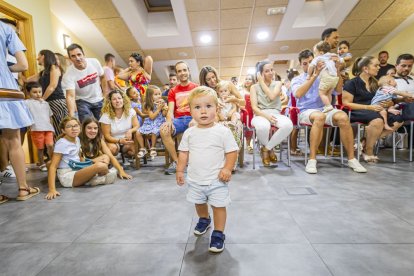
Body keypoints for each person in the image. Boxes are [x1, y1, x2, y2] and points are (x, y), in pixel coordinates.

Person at [176, 86, 238, 253]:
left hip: (217, 180)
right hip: (195, 179)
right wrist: (180, 171)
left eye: (208, 106)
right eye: (197, 107)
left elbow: (232, 151)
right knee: (199, 202)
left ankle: (218, 234)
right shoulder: (189, 133)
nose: (203, 111)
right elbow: (183, 153)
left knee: (219, 206)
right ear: (190, 110)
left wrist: (227, 168)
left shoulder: (222, 132)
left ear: (216, 108)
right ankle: (204, 219)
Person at [291, 49, 367, 173]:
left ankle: (352, 159)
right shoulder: (298, 79)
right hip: (306, 111)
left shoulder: (326, 73)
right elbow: (298, 94)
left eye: (310, 61)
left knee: (343, 117)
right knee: (319, 117)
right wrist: (314, 75)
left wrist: (336, 69)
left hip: (325, 108)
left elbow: (338, 91)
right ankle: (312, 160)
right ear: (301, 64)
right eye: (305, 63)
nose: (309, 64)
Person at [0, 20, 40, 203]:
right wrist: (5, 69)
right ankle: (23, 189)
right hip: (5, 90)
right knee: (13, 140)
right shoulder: (5, 29)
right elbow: (23, 65)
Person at [342, 56, 403, 163]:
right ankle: (369, 151)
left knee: (399, 119)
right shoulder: (351, 83)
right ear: (365, 69)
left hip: (376, 110)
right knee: (378, 121)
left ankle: (364, 142)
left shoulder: (376, 83)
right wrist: (368, 107)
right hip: (357, 111)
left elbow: (387, 97)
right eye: (375, 65)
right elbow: (346, 103)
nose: (379, 68)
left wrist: (391, 102)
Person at [46, 117, 117, 200]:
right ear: (63, 130)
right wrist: (52, 190)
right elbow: (53, 166)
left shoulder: (77, 139)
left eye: (76, 126)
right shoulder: (62, 143)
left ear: (80, 128)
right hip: (68, 175)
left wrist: (90, 163)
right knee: (100, 167)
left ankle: (94, 178)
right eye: (69, 126)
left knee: (103, 162)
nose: (73, 129)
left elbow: (80, 159)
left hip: (77, 169)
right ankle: (97, 178)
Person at [251, 60, 293, 166]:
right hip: (260, 114)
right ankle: (269, 150)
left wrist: (261, 82)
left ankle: (266, 149)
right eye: (267, 71)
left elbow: (272, 96)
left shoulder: (278, 83)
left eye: (272, 70)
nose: (271, 72)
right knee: (263, 127)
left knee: (288, 125)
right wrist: (267, 116)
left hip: (276, 113)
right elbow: (254, 108)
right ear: (260, 74)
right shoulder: (254, 87)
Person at [160, 61, 198, 175]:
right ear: (177, 74)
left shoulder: (196, 88)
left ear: (188, 71)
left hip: (193, 118)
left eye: (184, 70)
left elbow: (198, 107)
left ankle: (194, 163)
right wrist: (168, 121)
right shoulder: (173, 91)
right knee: (163, 130)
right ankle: (177, 162)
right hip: (179, 120)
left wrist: (195, 118)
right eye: (179, 71)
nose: (182, 73)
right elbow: (170, 110)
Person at [26, 49, 68, 137]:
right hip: (48, 103)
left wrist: (42, 100)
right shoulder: (42, 72)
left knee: (61, 129)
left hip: (57, 101)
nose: (37, 59)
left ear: (43, 56)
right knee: (53, 130)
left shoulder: (54, 68)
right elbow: (28, 80)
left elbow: (52, 86)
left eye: (39, 56)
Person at [62, 43, 106, 123]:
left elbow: (103, 77)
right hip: (82, 101)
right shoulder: (68, 74)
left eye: (79, 54)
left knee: (104, 124)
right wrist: (72, 116)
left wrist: (105, 94)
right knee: (88, 125)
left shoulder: (94, 62)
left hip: (98, 98)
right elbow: (70, 96)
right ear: (70, 58)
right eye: (73, 56)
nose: (77, 58)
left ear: (84, 54)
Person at [99, 90, 139, 156]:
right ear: (110, 102)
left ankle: (126, 155)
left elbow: (137, 126)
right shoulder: (106, 116)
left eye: (119, 98)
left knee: (135, 150)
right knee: (113, 148)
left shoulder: (130, 111)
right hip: (112, 142)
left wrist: (130, 131)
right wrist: (119, 141)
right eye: (114, 99)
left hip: (127, 141)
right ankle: (111, 162)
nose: (117, 101)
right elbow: (107, 136)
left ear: (123, 99)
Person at [25, 82, 54, 171]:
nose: (38, 94)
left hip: (48, 128)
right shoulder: (27, 103)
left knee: (50, 145)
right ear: (28, 93)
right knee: (40, 148)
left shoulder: (45, 103)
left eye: (39, 92)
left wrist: (52, 127)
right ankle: (42, 163)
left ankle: (53, 162)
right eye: (34, 92)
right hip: (36, 129)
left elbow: (50, 116)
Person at [307, 41, 340, 113]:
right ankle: (329, 106)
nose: (315, 55)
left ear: (321, 53)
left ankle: (328, 106)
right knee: (328, 93)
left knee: (322, 93)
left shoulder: (319, 58)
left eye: (315, 53)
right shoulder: (333, 55)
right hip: (335, 78)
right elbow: (341, 61)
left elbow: (311, 66)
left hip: (326, 78)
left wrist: (309, 75)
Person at [136, 85, 167, 158]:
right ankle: (143, 148)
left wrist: (165, 109)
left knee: (154, 131)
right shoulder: (149, 105)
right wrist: (158, 109)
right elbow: (152, 117)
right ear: (150, 96)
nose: (158, 96)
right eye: (156, 94)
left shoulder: (162, 103)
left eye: (159, 94)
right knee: (138, 132)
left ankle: (153, 148)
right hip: (149, 122)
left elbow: (164, 115)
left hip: (159, 122)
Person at [394, 53, 414, 121]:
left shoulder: (413, 78)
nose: (406, 68)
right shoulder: (389, 80)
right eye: (403, 66)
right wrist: (403, 99)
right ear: (396, 66)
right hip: (402, 108)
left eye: (409, 66)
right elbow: (388, 100)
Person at [240, 74, 255, 153]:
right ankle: (248, 144)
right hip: (245, 112)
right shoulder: (242, 91)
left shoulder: (255, 91)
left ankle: (252, 144)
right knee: (247, 128)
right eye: (246, 79)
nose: (247, 80)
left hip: (254, 112)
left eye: (250, 79)